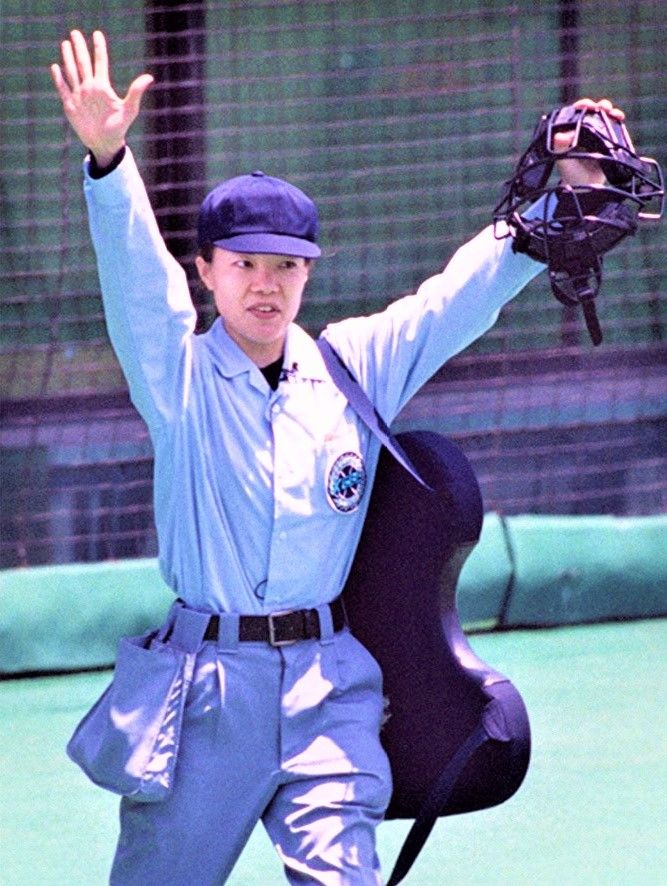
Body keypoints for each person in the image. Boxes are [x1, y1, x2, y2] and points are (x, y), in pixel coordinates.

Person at [51, 29, 624, 886]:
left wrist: (568, 199)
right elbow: (137, 284)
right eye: (244, 263)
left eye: (287, 265)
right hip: (208, 693)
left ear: (309, 273)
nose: (266, 283)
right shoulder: (177, 378)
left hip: (328, 685)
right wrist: (108, 163)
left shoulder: (349, 365)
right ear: (206, 270)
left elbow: (452, 302)